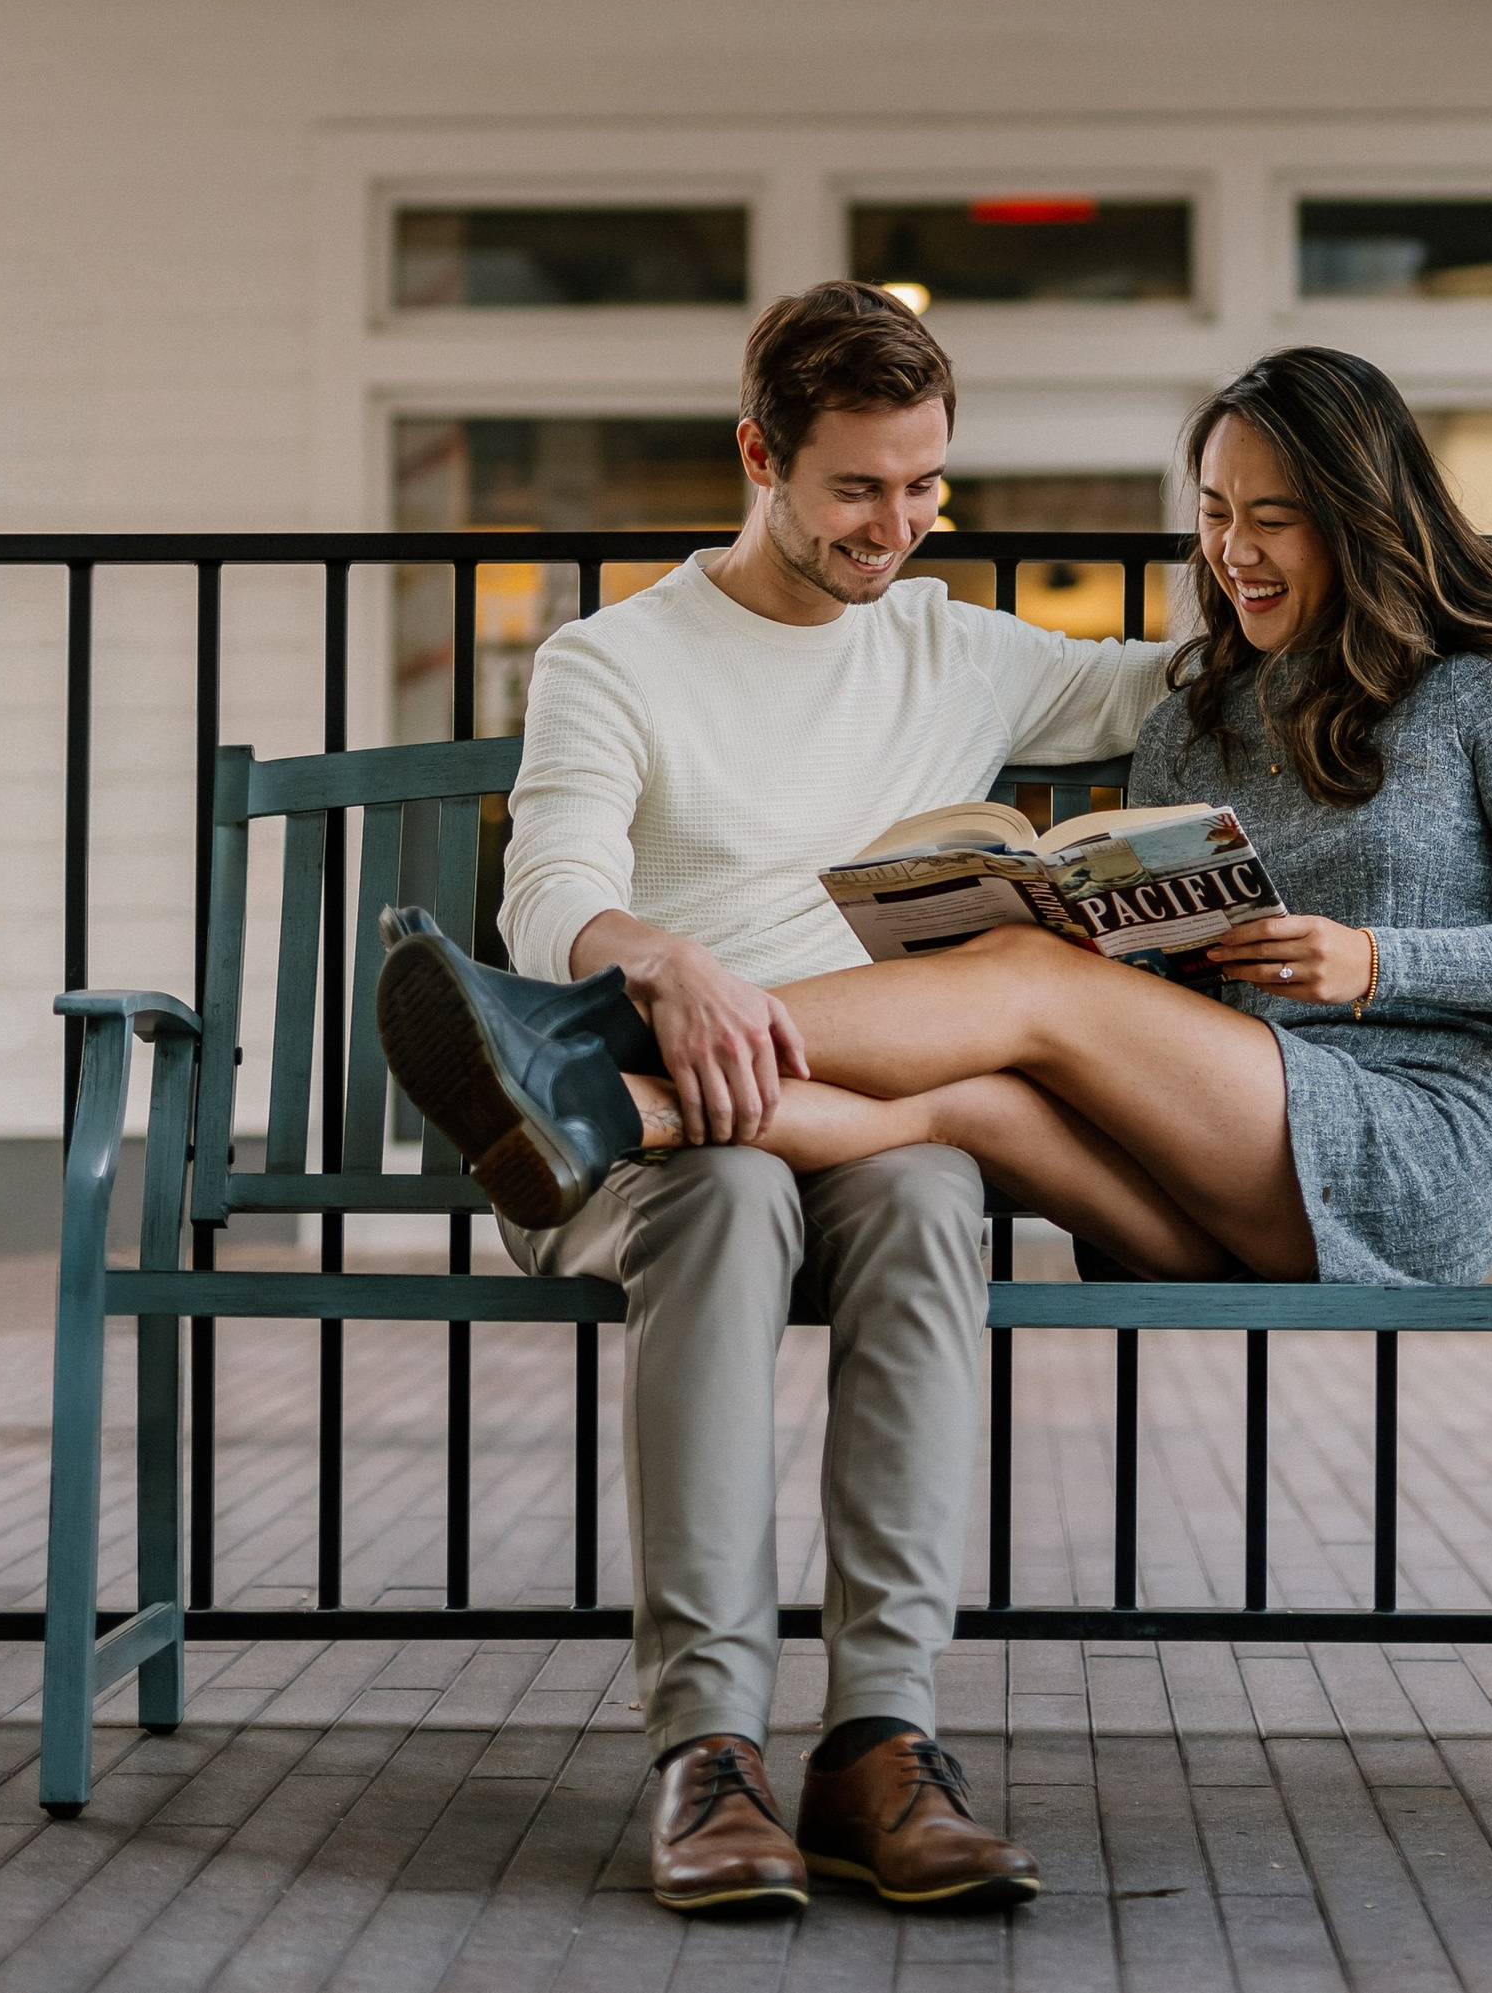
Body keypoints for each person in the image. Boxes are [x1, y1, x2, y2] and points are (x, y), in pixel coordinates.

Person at [384, 339, 1492, 1404]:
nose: (1234, 554)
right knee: (971, 1102)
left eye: (1274, 519)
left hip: (1407, 1148)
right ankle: (619, 1113)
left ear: (1365, 516)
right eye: (1212, 514)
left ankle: (575, 1047)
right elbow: (1158, 984)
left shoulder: (1482, 695)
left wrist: (1376, 960)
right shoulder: (1194, 717)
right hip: (1207, 1178)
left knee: (1028, 983)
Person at [378, 281, 1173, 1919]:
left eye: (923, 484)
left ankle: (880, 1741)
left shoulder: (963, 649)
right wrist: (654, 958)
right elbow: (552, 891)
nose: (897, 524)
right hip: (640, 1122)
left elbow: (1173, 688)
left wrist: (1366, 592)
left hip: (869, 1123)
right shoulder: (617, 657)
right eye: (857, 487)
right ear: (761, 456)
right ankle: (711, 1751)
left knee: (939, 1187)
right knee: (731, 1189)